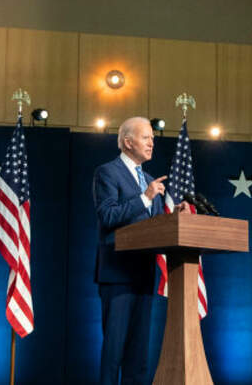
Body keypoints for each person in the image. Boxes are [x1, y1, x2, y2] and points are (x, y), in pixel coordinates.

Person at [93, 116, 168, 385]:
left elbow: (156, 225)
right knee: (114, 353)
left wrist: (176, 218)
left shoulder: (148, 179)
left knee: (138, 357)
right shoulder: (107, 172)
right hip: (118, 275)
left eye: (152, 138)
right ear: (127, 142)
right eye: (146, 137)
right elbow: (108, 216)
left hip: (144, 275)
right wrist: (145, 197)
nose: (152, 143)